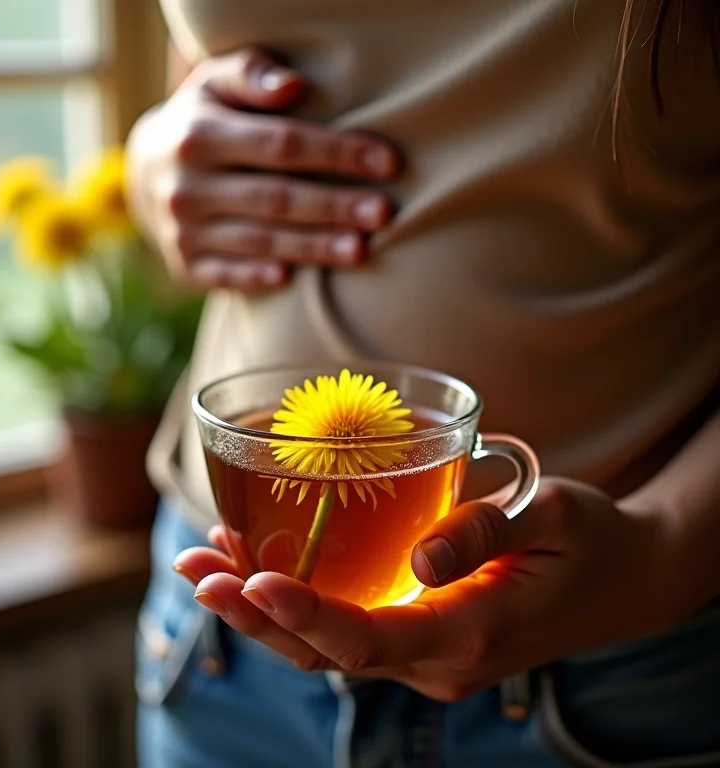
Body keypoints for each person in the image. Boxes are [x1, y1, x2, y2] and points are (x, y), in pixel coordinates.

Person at [127, 0, 720, 765]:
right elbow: (212, 64)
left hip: (616, 671)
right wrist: (158, 160)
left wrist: (663, 551)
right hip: (221, 648)